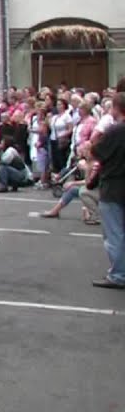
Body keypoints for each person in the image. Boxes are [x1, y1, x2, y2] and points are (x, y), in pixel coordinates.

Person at [89, 93, 125, 289]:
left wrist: (89, 147)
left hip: (113, 185)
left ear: (116, 109)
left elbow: (97, 152)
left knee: (114, 233)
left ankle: (119, 274)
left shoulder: (115, 131)